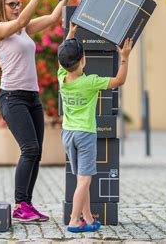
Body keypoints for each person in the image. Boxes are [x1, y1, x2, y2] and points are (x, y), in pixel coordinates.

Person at [0, 0, 67, 222]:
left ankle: (27, 204)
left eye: (18, 3)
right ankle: (20, 204)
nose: (16, 7)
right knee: (29, 148)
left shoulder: (23, 29)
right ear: (1, 7)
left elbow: (54, 18)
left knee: (37, 152)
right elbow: (22, 19)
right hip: (12, 98)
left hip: (32, 97)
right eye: (11, 4)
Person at [57, 22, 132, 232]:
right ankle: (73, 221)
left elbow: (62, 59)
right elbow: (119, 80)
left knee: (83, 178)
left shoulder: (61, 77)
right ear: (84, 60)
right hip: (85, 135)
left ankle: (88, 219)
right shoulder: (90, 82)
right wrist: (124, 56)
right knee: (84, 180)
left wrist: (70, 33)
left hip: (68, 134)